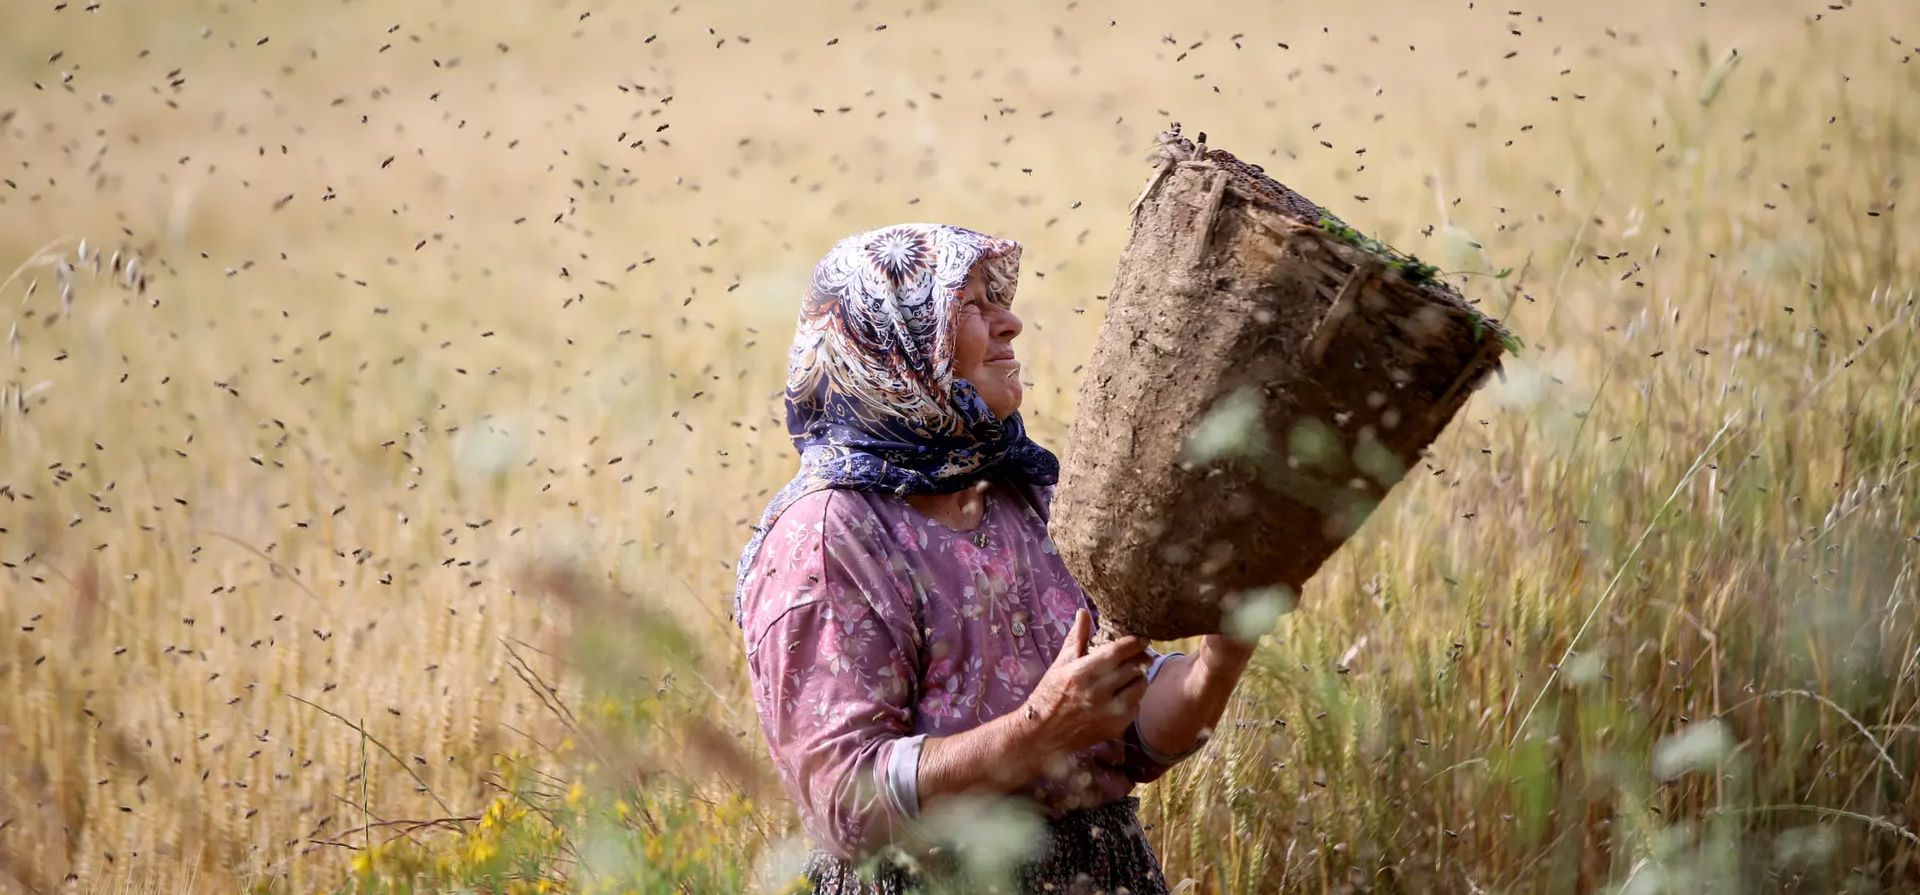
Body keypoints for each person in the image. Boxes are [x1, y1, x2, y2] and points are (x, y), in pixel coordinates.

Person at [734, 223, 1255, 894]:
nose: (1009, 322)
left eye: (997, 301)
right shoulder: (832, 537)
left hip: (1102, 869)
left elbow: (1123, 729)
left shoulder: (1027, 490)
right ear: (896, 341)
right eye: (972, 305)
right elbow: (847, 804)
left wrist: (1224, 652)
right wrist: (1039, 729)